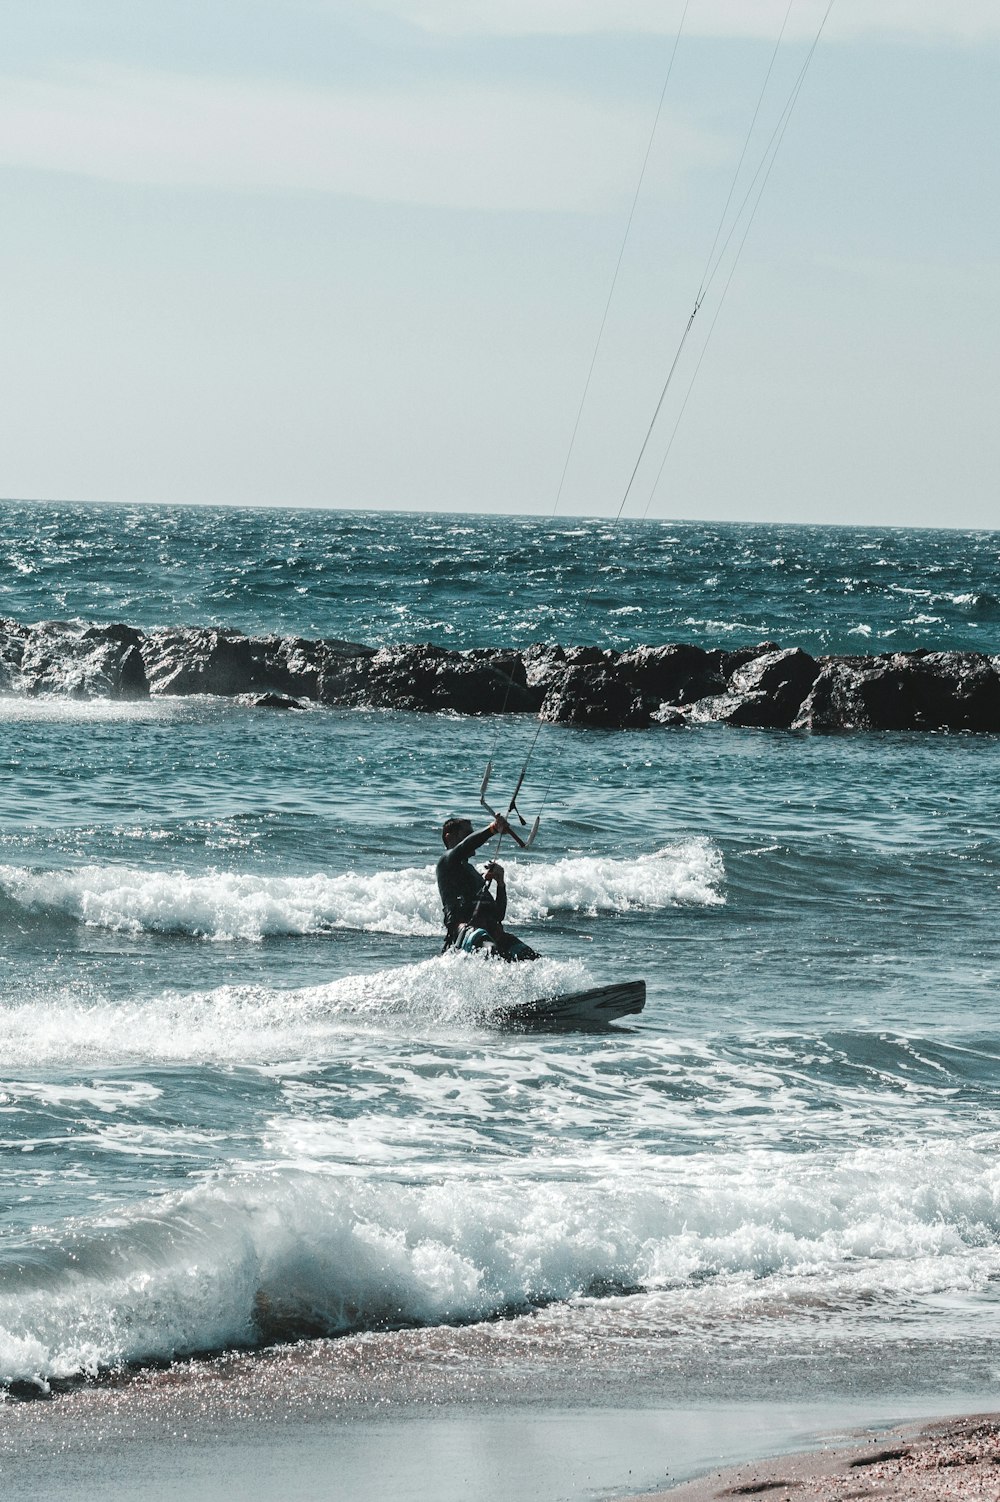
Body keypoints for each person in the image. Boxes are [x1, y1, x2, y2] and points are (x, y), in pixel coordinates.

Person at [436, 814, 538, 962]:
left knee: (532, 959)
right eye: (467, 834)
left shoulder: (474, 874)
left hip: (492, 931)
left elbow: (499, 915)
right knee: (491, 950)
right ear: (449, 837)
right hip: (466, 932)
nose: (471, 838)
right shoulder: (445, 862)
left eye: (471, 834)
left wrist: (500, 884)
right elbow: (466, 846)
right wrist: (492, 829)